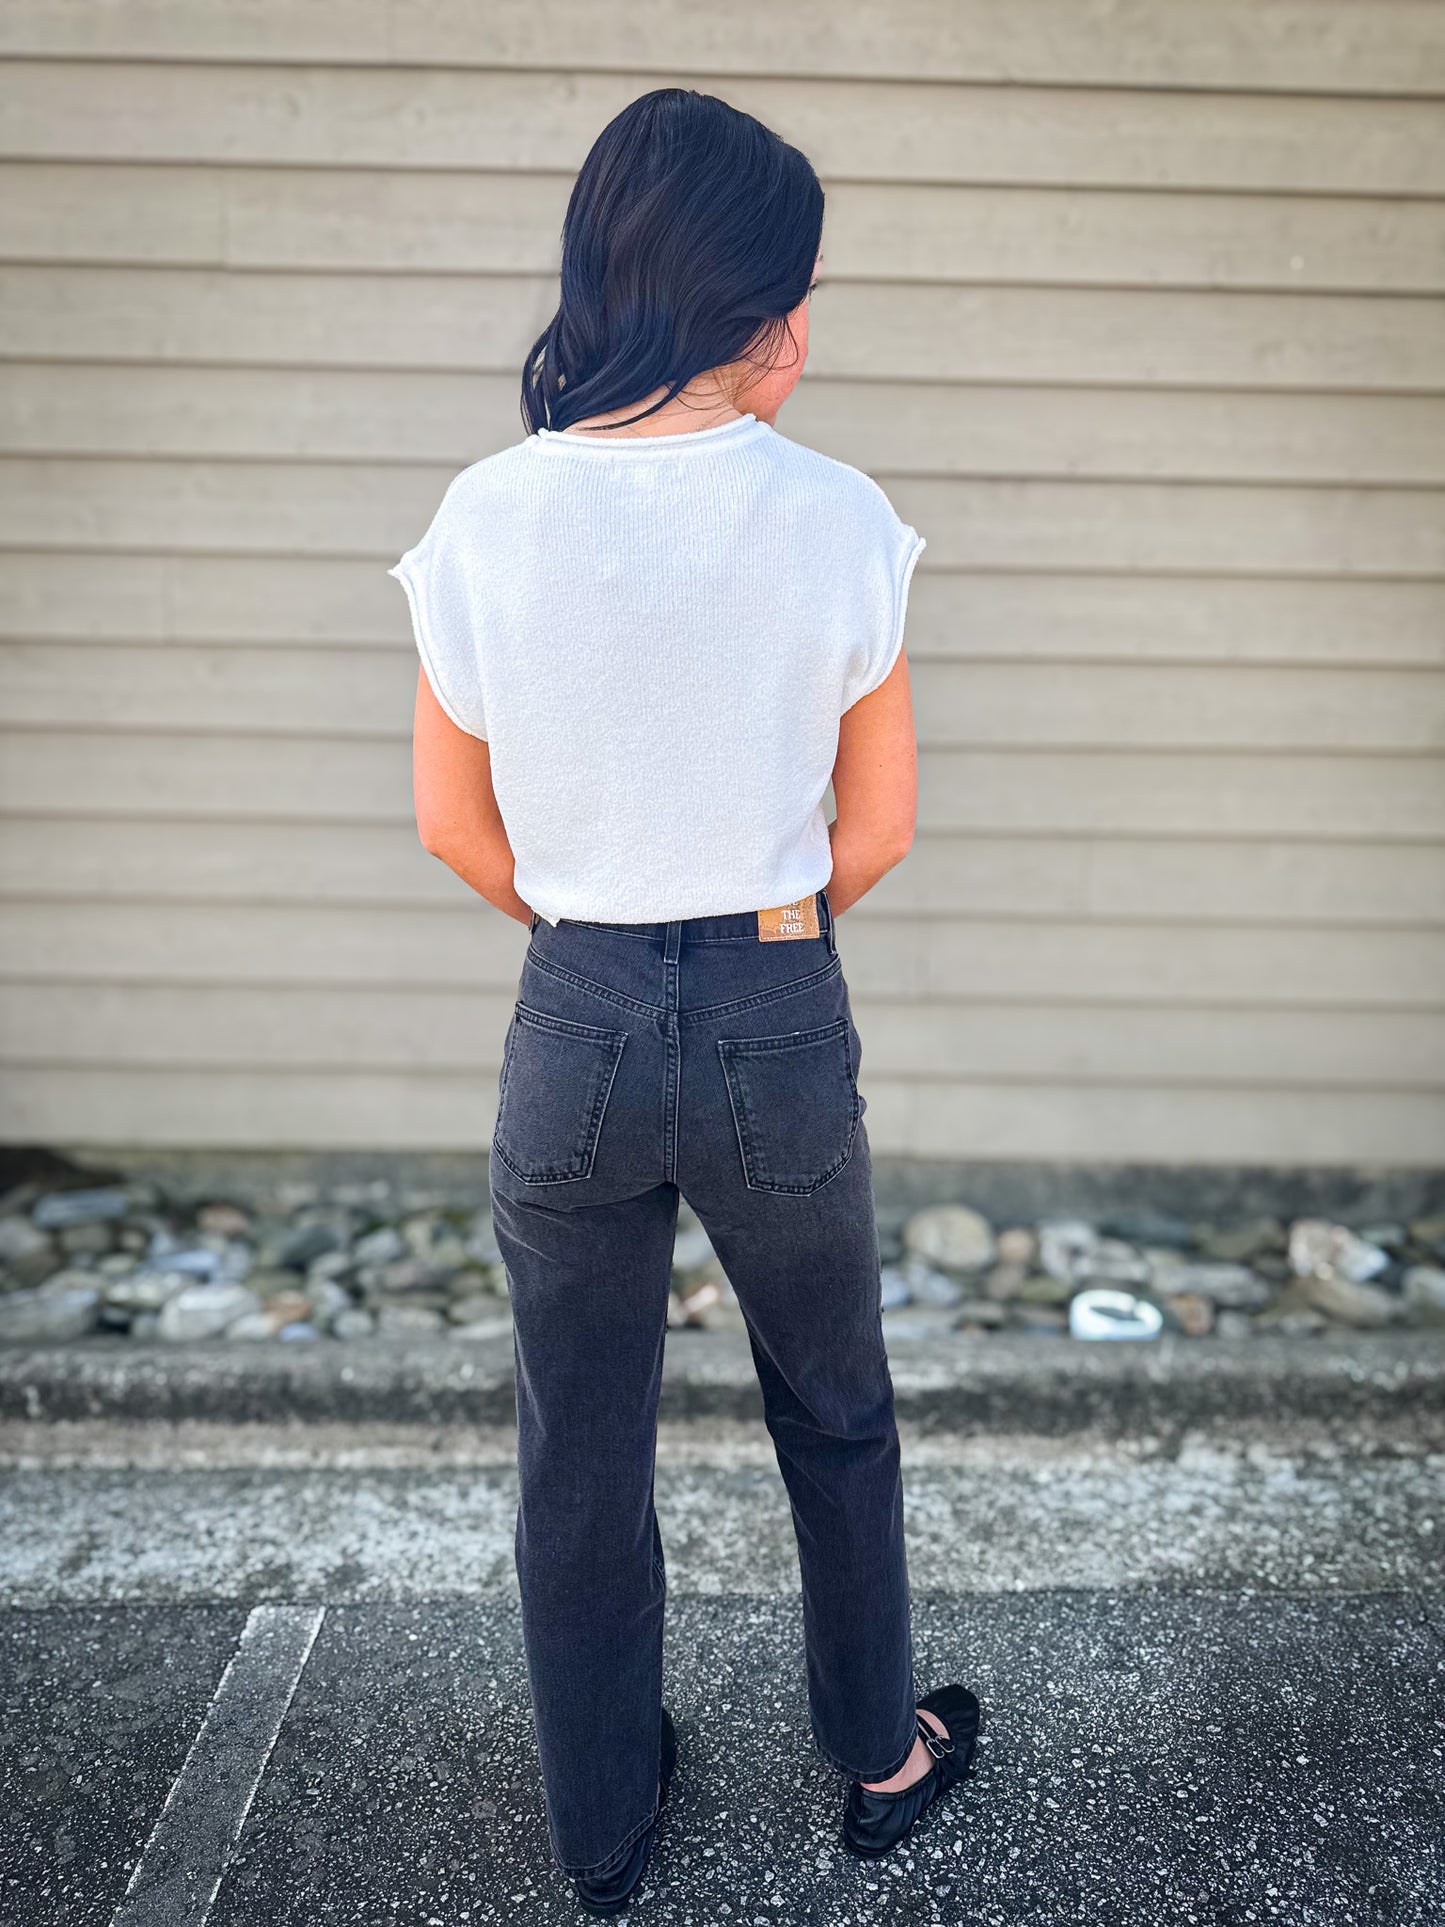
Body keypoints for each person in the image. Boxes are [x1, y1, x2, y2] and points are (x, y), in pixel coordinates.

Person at [391, 86, 981, 1916]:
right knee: (833, 1407)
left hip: (568, 1013)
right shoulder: (837, 516)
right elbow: (879, 828)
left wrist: (598, 933)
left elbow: (450, 826)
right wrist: (746, 940)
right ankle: (879, 1758)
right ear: (757, 309)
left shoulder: (483, 516)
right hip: (771, 1004)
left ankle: (604, 1824)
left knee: (577, 1447)